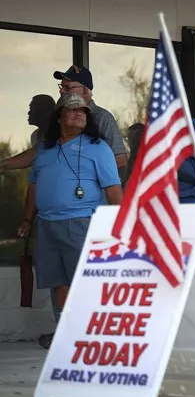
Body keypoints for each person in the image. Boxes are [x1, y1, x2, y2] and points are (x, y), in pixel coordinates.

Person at [16, 94, 123, 349]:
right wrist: (27, 219)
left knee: (83, 282)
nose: (78, 114)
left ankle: (92, 334)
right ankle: (67, 332)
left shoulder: (98, 147)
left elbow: (114, 188)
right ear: (60, 116)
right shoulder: (45, 148)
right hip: (46, 224)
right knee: (58, 282)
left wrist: (122, 224)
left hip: (82, 223)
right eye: (72, 110)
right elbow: (33, 185)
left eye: (83, 112)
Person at [0, 66, 127, 175]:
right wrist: (4, 164)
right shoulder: (59, 117)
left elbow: (120, 159)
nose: (61, 91)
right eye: (61, 86)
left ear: (84, 91)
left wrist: (79, 172)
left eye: (67, 88)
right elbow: (38, 152)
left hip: (89, 199)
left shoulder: (102, 117)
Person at [0, 95, 56, 169]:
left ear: (44, 110)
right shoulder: (35, 135)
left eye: (32, 108)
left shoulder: (60, 131)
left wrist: (3, 164)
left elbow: (34, 155)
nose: (29, 112)